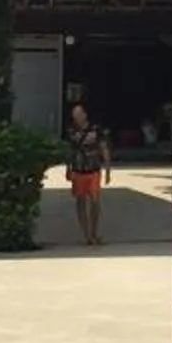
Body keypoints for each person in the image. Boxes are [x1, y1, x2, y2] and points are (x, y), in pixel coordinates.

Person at [64, 104, 113, 245]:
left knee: (95, 201)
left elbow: (104, 148)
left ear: (85, 115)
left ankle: (94, 232)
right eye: (74, 116)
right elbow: (69, 151)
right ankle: (86, 235)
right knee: (80, 201)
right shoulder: (71, 131)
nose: (77, 118)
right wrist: (68, 169)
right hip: (78, 170)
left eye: (79, 115)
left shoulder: (96, 130)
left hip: (94, 170)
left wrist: (108, 169)